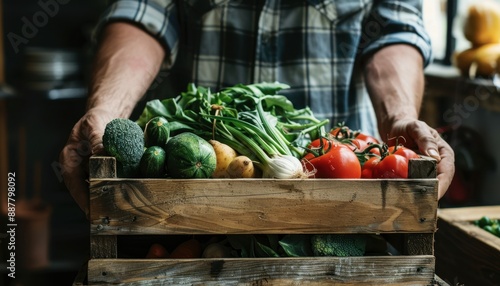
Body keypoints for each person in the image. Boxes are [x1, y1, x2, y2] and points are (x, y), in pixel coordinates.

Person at [60, 0, 455, 216]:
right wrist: (108, 110)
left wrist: (399, 117)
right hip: (193, 200)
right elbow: (142, 12)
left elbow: (395, 27)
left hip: (344, 187)